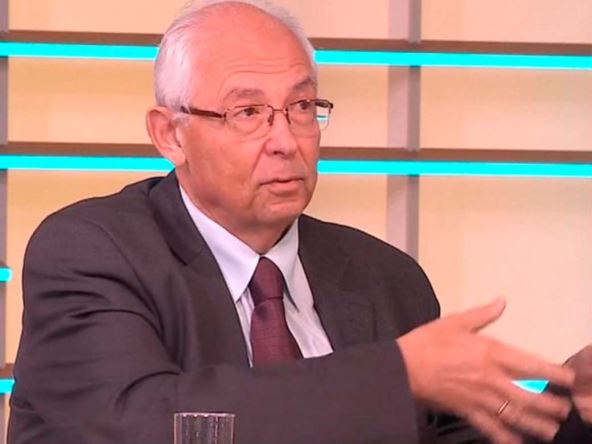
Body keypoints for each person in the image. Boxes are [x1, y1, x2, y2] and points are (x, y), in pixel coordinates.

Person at [7, 1, 592, 443]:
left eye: (303, 107)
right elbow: (138, 423)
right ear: (170, 135)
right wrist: (395, 375)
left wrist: (570, 409)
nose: (285, 140)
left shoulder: (385, 276)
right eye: (248, 112)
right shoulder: (92, 250)